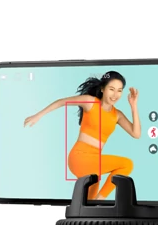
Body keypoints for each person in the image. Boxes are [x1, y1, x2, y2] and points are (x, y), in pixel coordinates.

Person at [24, 71, 140, 200]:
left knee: (89, 203)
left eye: (119, 90)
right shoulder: (90, 102)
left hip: (93, 163)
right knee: (127, 164)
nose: (115, 95)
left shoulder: (117, 115)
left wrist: (133, 106)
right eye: (111, 89)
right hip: (79, 157)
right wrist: (38, 115)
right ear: (102, 89)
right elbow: (62, 102)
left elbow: (136, 134)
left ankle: (95, 204)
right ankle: (100, 200)